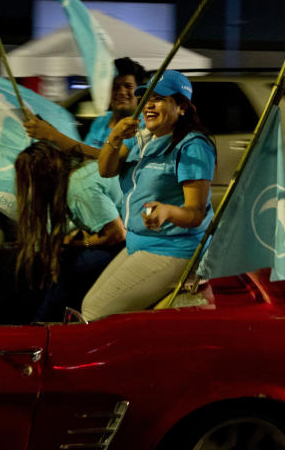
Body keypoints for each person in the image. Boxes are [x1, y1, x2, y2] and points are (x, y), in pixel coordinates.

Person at [82, 70, 215, 321]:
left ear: (182, 107)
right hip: (139, 244)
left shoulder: (192, 147)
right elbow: (106, 169)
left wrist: (167, 211)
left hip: (173, 250)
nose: (149, 106)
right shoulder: (141, 135)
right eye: (146, 98)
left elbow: (196, 214)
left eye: (159, 98)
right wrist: (115, 136)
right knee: (88, 303)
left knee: (93, 313)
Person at [6, 141, 125, 322]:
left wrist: (78, 244)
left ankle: (40, 324)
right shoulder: (74, 178)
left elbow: (116, 234)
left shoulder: (78, 188)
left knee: (68, 271)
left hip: (129, 243)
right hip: (122, 239)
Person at [23, 57, 147, 158]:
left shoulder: (141, 125)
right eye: (115, 86)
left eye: (128, 86)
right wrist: (49, 134)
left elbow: (109, 160)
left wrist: (53, 135)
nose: (121, 92)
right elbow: (82, 153)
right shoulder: (102, 120)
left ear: (139, 92)